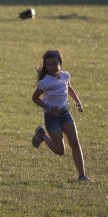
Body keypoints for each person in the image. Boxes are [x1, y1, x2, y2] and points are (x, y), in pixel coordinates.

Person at [31, 49, 89, 181]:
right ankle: (42, 135)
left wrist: (78, 101)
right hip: (52, 118)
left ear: (60, 63)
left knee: (75, 143)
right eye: (48, 65)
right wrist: (48, 107)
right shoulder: (44, 82)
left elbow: (68, 87)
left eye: (54, 63)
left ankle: (82, 175)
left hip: (65, 114)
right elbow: (34, 98)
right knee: (60, 151)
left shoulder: (65, 75)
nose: (51, 67)